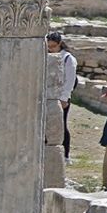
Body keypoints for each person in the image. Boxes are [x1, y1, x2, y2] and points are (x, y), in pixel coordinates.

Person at [48, 31, 78, 163]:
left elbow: (70, 80)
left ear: (59, 43)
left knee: (62, 124)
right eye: (49, 46)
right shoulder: (47, 54)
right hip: (48, 96)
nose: (51, 49)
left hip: (61, 97)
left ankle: (65, 155)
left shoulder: (68, 58)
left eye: (53, 46)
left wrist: (64, 98)